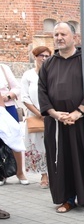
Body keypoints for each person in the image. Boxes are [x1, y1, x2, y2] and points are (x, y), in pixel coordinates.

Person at [38, 22, 84, 213]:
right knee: (62, 159)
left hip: (81, 120)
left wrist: (78, 112)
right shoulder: (48, 64)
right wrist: (54, 113)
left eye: (63, 34)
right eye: (56, 34)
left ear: (74, 37)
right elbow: (42, 91)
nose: (59, 37)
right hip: (56, 121)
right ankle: (67, 199)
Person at [20, 46, 52, 188]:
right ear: (35, 57)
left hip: (52, 114)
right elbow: (25, 97)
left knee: (52, 144)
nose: (44, 59)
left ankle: (55, 174)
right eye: (41, 56)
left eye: (47, 56)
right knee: (39, 146)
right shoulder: (28, 75)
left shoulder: (52, 73)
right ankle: (44, 175)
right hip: (35, 115)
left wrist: (49, 111)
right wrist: (39, 113)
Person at [0, 61, 28, 185]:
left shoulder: (4, 68)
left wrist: (8, 96)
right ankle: (2, 173)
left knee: (15, 138)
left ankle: (20, 172)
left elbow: (16, 87)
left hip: (8, 107)